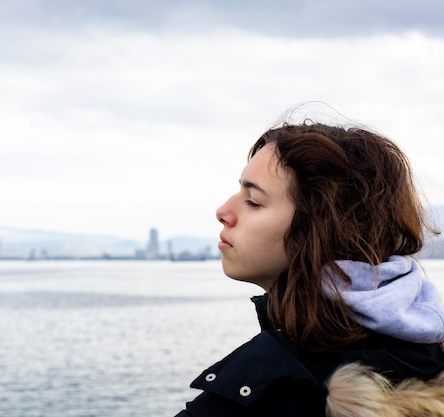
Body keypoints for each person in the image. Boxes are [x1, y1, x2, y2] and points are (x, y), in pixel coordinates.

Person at [174, 118, 444, 416]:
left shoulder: (264, 394)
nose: (223, 212)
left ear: (321, 229)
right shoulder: (428, 357)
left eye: (253, 201)